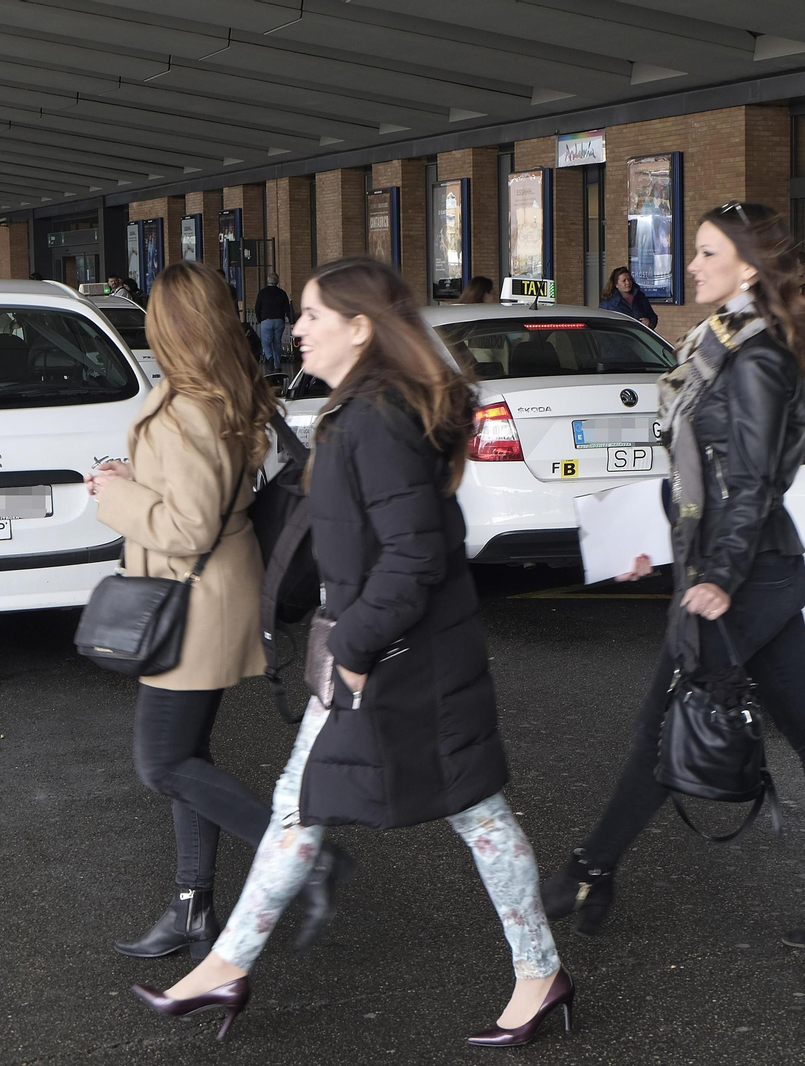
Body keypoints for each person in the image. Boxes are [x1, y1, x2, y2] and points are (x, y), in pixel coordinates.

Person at [131, 258, 571, 1047]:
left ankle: (539, 974)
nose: (295, 329)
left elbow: (414, 555)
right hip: (394, 653)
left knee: (470, 813)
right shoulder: (363, 410)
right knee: (307, 806)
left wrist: (357, 647)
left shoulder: (375, 418)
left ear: (360, 328)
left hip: (399, 661)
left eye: (312, 315)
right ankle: (227, 965)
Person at [539, 202, 805, 952]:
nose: (690, 265)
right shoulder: (717, 346)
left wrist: (719, 576)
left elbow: (752, 483)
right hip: (754, 571)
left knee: (663, 727)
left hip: (744, 579)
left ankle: (589, 870)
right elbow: (704, 478)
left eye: (706, 253)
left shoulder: (755, 360)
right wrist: (648, 540)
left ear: (748, 269)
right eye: (694, 251)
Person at [88, 260, 352, 966]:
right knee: (187, 755)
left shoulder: (187, 408)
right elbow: (205, 497)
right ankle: (191, 907)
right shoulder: (226, 391)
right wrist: (137, 478)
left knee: (162, 762)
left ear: (168, 327)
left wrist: (114, 493)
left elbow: (188, 526)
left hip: (192, 601)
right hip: (212, 591)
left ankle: (303, 855)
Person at [255, 273, 293, 373]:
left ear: (268, 281)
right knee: (277, 343)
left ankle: (269, 357)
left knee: (265, 342)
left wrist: (259, 320)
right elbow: (287, 308)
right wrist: (292, 321)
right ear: (277, 282)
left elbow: (257, 307)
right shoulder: (282, 293)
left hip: (266, 321)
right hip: (279, 321)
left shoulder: (262, 293)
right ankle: (277, 366)